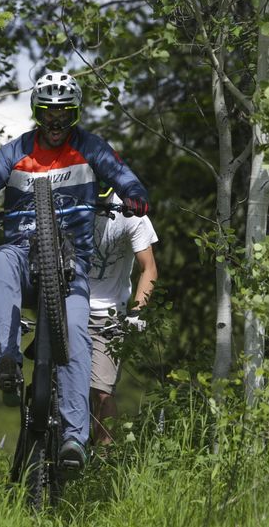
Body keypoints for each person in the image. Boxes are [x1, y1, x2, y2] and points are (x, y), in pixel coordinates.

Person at [0, 71, 149, 470]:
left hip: (70, 266)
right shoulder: (14, 152)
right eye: (48, 113)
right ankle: (7, 363)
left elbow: (122, 174)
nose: (56, 123)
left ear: (74, 115)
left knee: (77, 335)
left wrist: (135, 195)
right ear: (36, 113)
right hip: (23, 256)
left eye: (65, 114)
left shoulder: (91, 147)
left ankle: (74, 440)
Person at [88, 186, 158, 445]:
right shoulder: (67, 202)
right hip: (66, 306)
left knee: (102, 393)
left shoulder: (130, 213)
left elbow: (148, 268)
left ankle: (103, 464)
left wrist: (137, 312)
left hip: (107, 315)